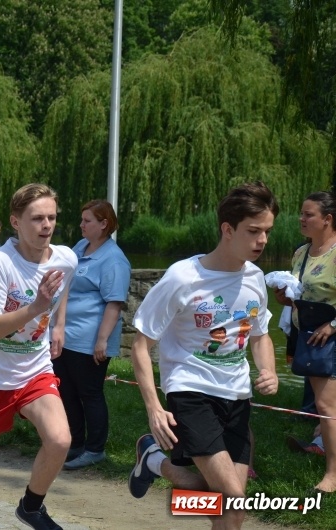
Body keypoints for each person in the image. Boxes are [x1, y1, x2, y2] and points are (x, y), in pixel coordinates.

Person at [128, 181, 279, 529]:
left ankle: (154, 462)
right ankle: (155, 460)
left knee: (227, 509)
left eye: (267, 231)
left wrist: (268, 370)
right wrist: (154, 408)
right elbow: (140, 346)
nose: (262, 240)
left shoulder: (256, 278)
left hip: (237, 397)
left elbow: (260, 335)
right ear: (228, 229)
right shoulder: (182, 278)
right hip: (192, 392)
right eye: (253, 231)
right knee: (232, 500)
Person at [0, 183, 77, 530]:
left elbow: (63, 287)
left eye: (51, 217)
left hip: (35, 369)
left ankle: (31, 507)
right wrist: (36, 307)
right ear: (15, 222)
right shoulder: (0, 263)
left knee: (60, 440)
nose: (46, 225)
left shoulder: (66, 258)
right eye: (37, 218)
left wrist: (58, 324)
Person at [54, 200, 130, 470]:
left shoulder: (114, 260)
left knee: (90, 394)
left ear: (104, 224)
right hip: (67, 336)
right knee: (67, 391)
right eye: (82, 219)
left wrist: (102, 340)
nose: (81, 225)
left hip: (89, 341)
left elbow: (114, 303)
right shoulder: (80, 247)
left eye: (87, 221)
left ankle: (95, 449)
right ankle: (75, 443)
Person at [274, 191, 336, 492]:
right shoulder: (301, 253)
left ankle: (332, 476)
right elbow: (300, 295)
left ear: (327, 219)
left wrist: (333, 325)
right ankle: (322, 441)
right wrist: (285, 298)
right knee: (327, 405)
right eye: (301, 212)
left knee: (326, 405)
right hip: (310, 336)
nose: (301, 218)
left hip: (331, 336)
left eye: (308, 214)